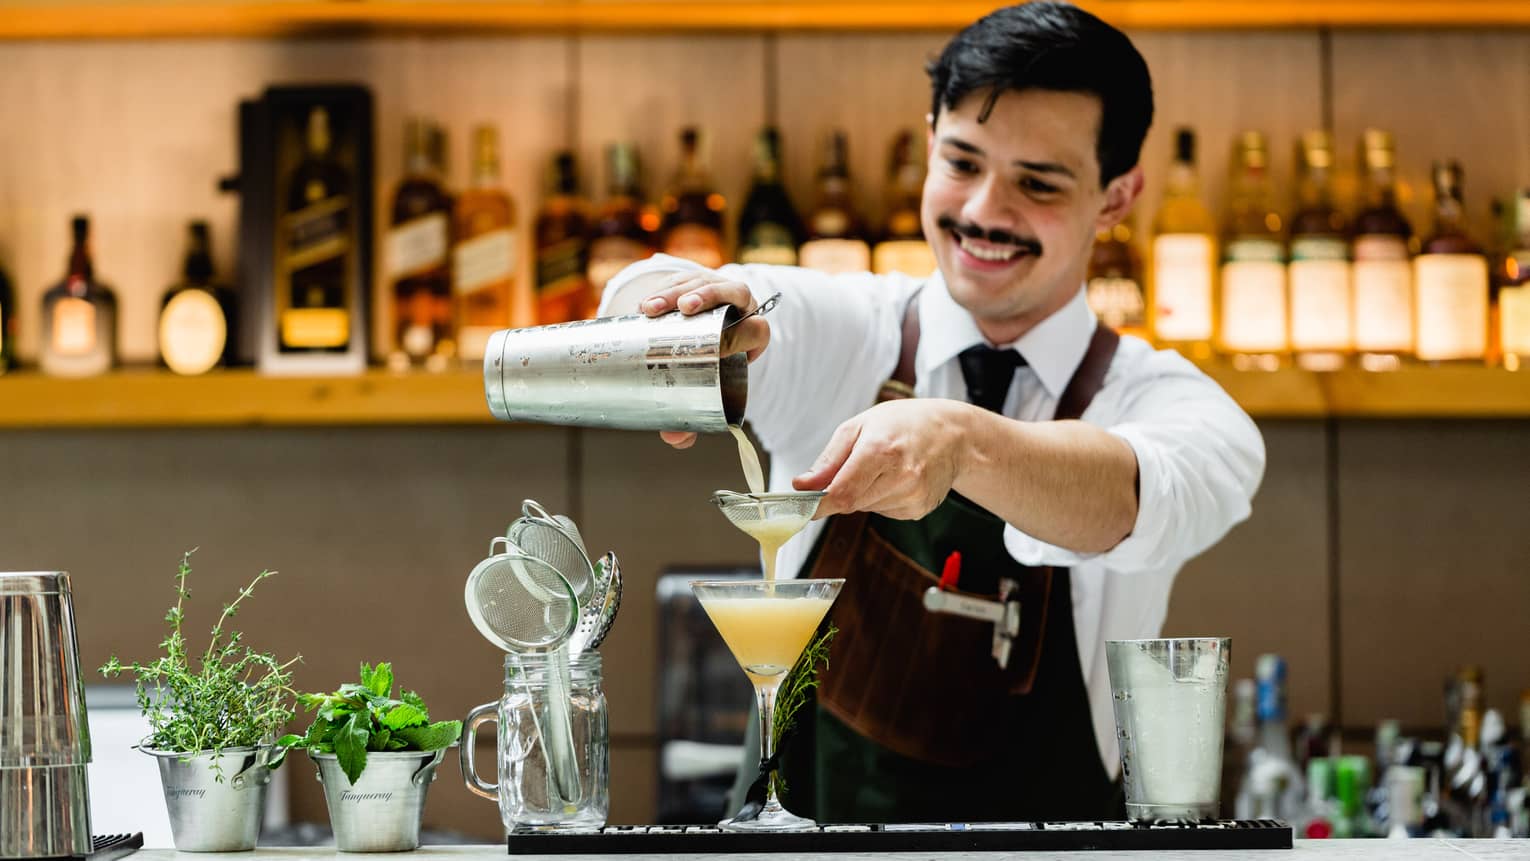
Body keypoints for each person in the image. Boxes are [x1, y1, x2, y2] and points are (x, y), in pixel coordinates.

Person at [602, 0, 1265, 824]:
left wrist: (959, 441)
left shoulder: (1166, 402)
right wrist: (684, 318)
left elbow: (1137, 495)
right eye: (962, 162)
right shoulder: (848, 334)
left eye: (1038, 182)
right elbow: (674, 285)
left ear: (1117, 196)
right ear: (928, 144)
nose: (985, 209)